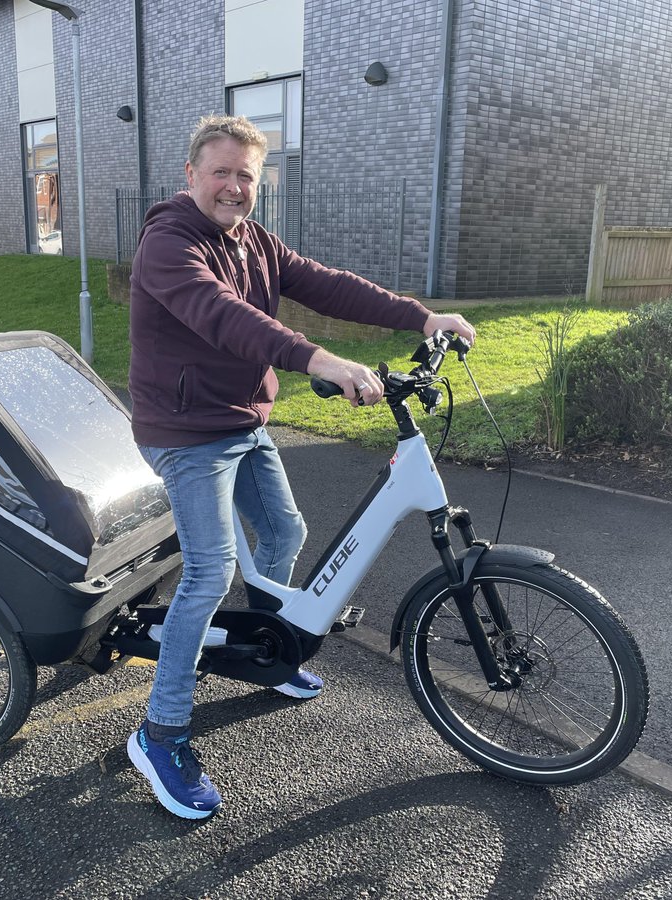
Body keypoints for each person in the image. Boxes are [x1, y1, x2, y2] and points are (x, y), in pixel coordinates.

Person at [125, 114, 474, 820]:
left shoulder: (253, 239)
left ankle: (265, 653)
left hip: (241, 421)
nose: (233, 187)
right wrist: (318, 359)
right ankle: (160, 733)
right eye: (220, 172)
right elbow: (222, 316)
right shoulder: (167, 244)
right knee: (210, 570)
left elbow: (327, 284)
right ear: (191, 174)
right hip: (185, 431)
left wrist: (421, 318)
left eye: (245, 176)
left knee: (284, 533)